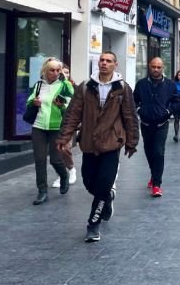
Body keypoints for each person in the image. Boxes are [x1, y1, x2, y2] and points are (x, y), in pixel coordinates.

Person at [58, 51, 139, 243]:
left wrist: (132, 141)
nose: (104, 63)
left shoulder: (122, 88)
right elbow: (73, 113)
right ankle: (107, 198)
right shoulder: (86, 86)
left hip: (112, 142)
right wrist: (64, 136)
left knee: (103, 184)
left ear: (115, 65)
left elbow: (130, 115)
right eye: (101, 60)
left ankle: (93, 224)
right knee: (89, 181)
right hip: (89, 142)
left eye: (108, 61)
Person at [27, 57, 74, 205]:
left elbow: (73, 105)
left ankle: (64, 176)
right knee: (39, 160)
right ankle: (42, 191)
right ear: (45, 71)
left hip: (57, 127)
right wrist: (34, 102)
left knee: (55, 159)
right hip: (39, 126)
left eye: (58, 70)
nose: (55, 73)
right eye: (52, 70)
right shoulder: (38, 85)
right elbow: (29, 101)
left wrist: (61, 105)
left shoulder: (64, 85)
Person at [134, 57, 177, 198]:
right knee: (149, 151)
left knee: (158, 152)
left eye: (159, 67)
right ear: (149, 67)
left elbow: (176, 101)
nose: (156, 69)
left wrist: (168, 111)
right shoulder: (141, 84)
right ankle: (154, 174)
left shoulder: (170, 84)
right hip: (146, 124)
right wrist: (139, 110)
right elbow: (134, 100)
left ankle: (157, 184)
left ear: (163, 68)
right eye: (153, 67)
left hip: (161, 124)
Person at [52, 64, 77, 189]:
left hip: (68, 123)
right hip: (54, 123)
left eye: (67, 72)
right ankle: (61, 175)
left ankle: (71, 169)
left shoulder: (73, 87)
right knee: (56, 151)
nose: (65, 75)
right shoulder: (53, 86)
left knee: (65, 148)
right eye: (63, 72)